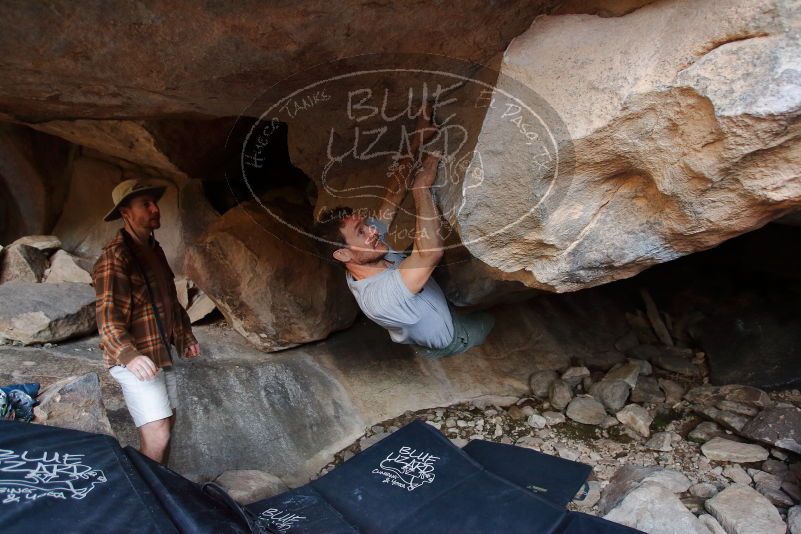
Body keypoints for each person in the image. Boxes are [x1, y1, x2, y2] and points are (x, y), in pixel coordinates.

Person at [314, 106, 494, 358]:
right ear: (342, 255)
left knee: (420, 248)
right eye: (361, 232)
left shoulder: (365, 253)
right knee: (491, 320)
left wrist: (418, 138)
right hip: (451, 335)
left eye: (365, 225)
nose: (372, 232)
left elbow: (392, 196)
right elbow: (430, 254)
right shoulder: (379, 300)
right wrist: (421, 186)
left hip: (413, 296)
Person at [92, 178, 200, 463]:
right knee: (158, 432)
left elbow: (168, 300)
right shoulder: (115, 257)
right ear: (126, 212)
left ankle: (160, 488)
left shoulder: (154, 250)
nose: (155, 209)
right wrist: (128, 355)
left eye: (155, 203)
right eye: (145, 204)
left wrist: (185, 335)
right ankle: (144, 498)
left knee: (168, 422)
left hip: (159, 352)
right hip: (136, 359)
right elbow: (107, 316)